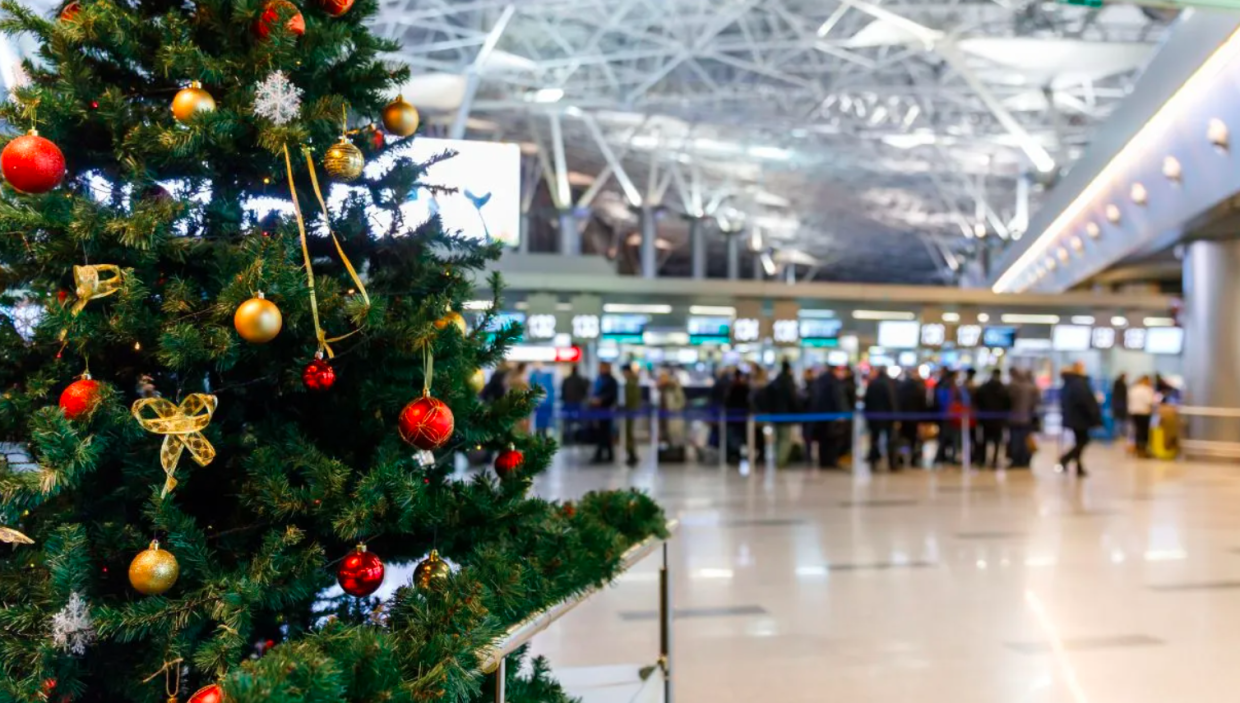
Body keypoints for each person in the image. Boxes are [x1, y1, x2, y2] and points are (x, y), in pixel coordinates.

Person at [1057, 362, 1103, 477]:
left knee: (1080, 441)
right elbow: (1086, 401)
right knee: (1083, 441)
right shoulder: (1079, 383)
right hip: (1081, 418)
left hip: (1074, 417)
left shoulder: (1069, 383)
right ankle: (1066, 459)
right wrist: (1094, 415)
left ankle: (1078, 465)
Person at [810, 365, 848, 469]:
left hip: (820, 416)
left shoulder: (819, 381)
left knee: (823, 441)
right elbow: (838, 398)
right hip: (832, 416)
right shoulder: (834, 382)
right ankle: (830, 461)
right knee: (832, 440)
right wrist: (842, 413)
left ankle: (823, 461)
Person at [863, 366, 899, 471]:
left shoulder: (873, 384)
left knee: (875, 439)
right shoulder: (889, 384)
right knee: (890, 440)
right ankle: (892, 463)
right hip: (888, 417)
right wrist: (895, 417)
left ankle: (874, 460)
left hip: (874, 417)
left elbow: (867, 400)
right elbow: (892, 401)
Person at [973, 369, 1011, 469]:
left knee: (984, 440)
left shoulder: (984, 387)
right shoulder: (1002, 388)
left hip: (985, 418)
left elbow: (977, 400)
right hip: (998, 419)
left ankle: (982, 460)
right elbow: (1008, 404)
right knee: (997, 441)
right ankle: (994, 460)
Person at [767, 360, 800, 468]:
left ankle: (777, 458)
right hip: (786, 415)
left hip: (775, 414)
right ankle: (781, 461)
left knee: (777, 438)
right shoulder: (789, 382)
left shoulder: (776, 381)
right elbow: (793, 399)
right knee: (785, 439)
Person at [1007, 369, 1039, 468]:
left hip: (1014, 419)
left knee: (1016, 440)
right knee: (1026, 440)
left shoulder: (1013, 387)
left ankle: (1016, 460)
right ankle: (1025, 460)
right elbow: (1035, 404)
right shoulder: (1033, 388)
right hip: (1027, 419)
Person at [897, 368, 928, 468]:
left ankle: (901, 458)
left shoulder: (902, 386)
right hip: (916, 418)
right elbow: (923, 404)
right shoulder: (919, 387)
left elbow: (899, 402)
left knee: (903, 439)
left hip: (904, 417)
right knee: (915, 440)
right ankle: (914, 459)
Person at [590, 361, 619, 464]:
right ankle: (607, 454)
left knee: (605, 432)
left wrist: (601, 400)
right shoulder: (599, 379)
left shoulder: (611, 381)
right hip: (598, 410)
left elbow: (612, 395)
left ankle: (602, 454)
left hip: (606, 409)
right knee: (603, 432)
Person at [657, 369, 687, 460]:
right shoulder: (660, 389)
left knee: (675, 434)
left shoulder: (674, 387)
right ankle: (667, 454)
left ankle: (677, 455)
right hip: (663, 416)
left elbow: (682, 401)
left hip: (673, 416)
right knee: (665, 434)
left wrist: (674, 409)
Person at [934, 369, 962, 465]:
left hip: (945, 415)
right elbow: (945, 402)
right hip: (949, 416)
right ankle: (944, 457)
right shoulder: (947, 386)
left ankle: (943, 457)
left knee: (946, 437)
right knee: (949, 437)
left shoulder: (942, 385)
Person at [725, 369, 751, 463]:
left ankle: (734, 455)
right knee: (739, 438)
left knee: (733, 438)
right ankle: (739, 455)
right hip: (741, 418)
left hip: (733, 418)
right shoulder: (744, 388)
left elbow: (726, 402)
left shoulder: (730, 387)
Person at [560, 364, 590, 445]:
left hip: (569, 403)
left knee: (568, 423)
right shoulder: (580, 380)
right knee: (581, 422)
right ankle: (581, 439)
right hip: (577, 403)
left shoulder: (567, 380)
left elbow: (562, 392)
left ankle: (568, 439)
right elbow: (585, 391)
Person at [1128, 375, 1156, 458]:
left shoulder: (1133, 389)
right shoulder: (1147, 390)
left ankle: (1137, 449)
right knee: (1144, 432)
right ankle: (1143, 450)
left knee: (1137, 431)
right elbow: (1150, 402)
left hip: (1134, 413)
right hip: (1144, 412)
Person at [623, 364, 642, 466]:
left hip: (630, 411)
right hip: (630, 411)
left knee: (629, 433)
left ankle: (632, 454)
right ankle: (631, 453)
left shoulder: (631, 383)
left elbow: (631, 398)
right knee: (629, 434)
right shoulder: (633, 382)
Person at [1111, 372, 1129, 440]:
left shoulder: (1116, 385)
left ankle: (1117, 434)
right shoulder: (1122, 385)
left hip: (1117, 404)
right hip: (1121, 405)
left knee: (1117, 420)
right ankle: (1119, 433)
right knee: (1121, 420)